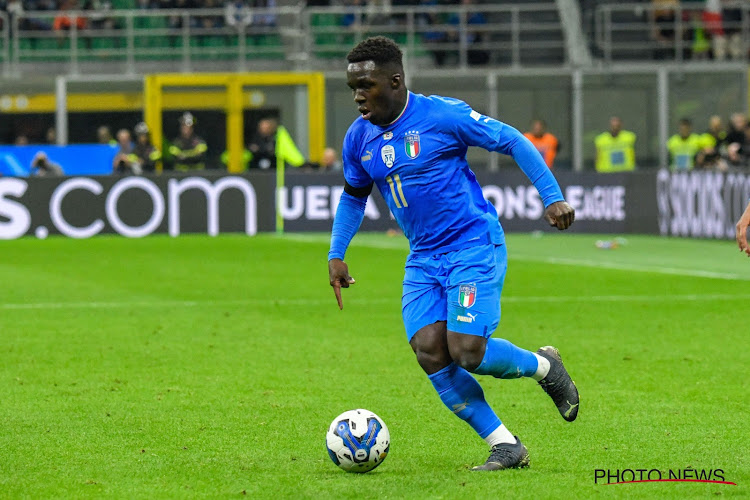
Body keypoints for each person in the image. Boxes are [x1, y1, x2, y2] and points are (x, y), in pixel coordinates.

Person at [327, 36, 578, 472]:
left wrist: (551, 196)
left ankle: (544, 367)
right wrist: (337, 253)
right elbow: (354, 196)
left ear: (395, 80)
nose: (358, 96)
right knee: (428, 349)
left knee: (466, 350)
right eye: (353, 87)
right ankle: (506, 445)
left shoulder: (442, 115)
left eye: (366, 85)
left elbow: (514, 140)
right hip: (423, 257)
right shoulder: (358, 137)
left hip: (471, 246)